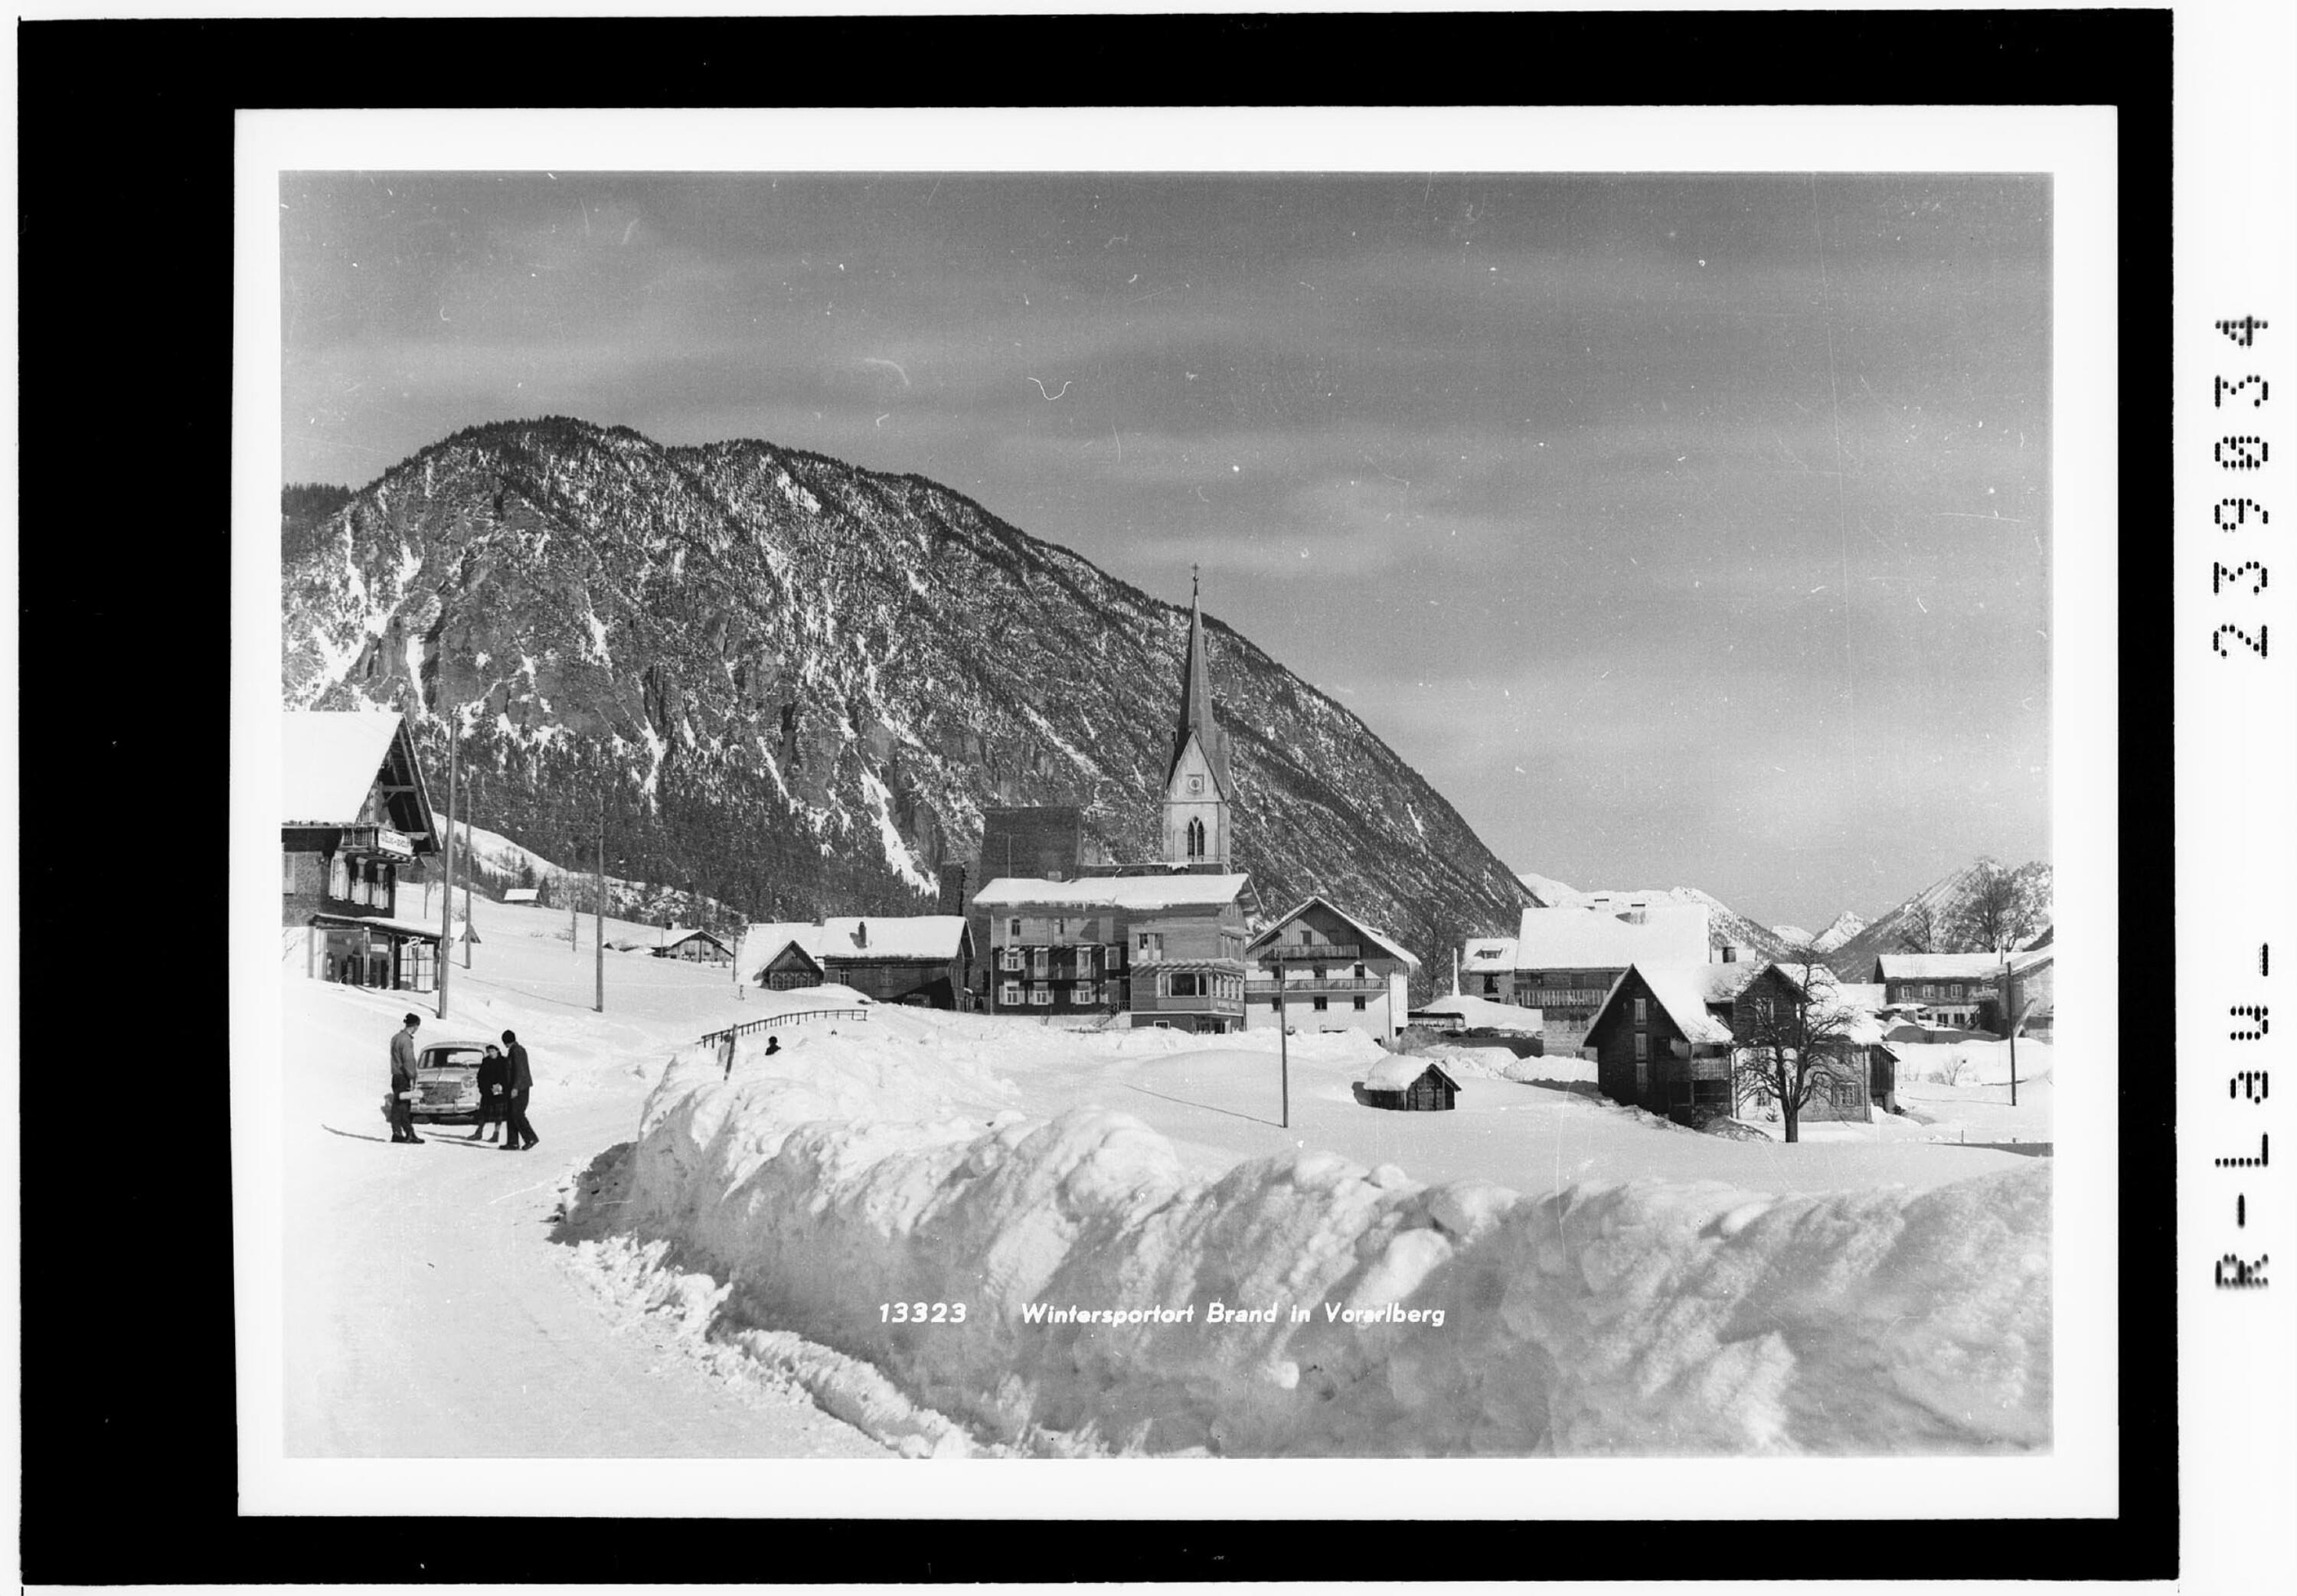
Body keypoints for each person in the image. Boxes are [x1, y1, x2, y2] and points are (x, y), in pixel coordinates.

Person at [387, 1013, 424, 1144]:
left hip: (396, 1076)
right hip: (403, 1077)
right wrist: (413, 1076)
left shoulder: (396, 1037)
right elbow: (408, 1060)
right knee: (403, 1107)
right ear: (415, 1026)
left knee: (398, 1106)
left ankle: (399, 1133)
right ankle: (407, 1133)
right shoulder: (406, 1040)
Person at [500, 1029, 537, 1151]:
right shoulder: (515, 1050)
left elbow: (520, 1071)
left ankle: (530, 1138)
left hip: (520, 1088)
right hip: (516, 1087)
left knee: (517, 1113)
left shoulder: (517, 1051)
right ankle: (513, 1142)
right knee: (511, 1114)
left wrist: (515, 1088)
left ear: (506, 1041)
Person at [467, 1043, 508, 1142]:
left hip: (500, 1092)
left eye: (493, 1051)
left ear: (497, 1051)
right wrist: (483, 1088)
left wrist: (502, 1086)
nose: (491, 1053)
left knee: (498, 1115)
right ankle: (479, 1132)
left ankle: (496, 1134)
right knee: (483, 1113)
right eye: (489, 1052)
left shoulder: (504, 1061)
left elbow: (507, 1076)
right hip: (487, 1092)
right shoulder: (486, 1061)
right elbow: (480, 1076)